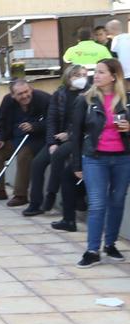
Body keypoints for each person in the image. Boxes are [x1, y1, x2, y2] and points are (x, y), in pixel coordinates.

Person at [69, 58, 130, 268]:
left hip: (123, 158)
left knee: (118, 202)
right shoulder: (85, 100)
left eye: (102, 72)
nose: (96, 75)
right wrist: (76, 164)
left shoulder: (126, 100)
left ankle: (110, 244)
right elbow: (75, 134)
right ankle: (92, 250)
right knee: (97, 204)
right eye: (96, 72)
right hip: (94, 159)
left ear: (114, 76)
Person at [26, 64, 89, 217]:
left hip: (76, 138)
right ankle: (35, 203)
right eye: (77, 75)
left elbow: (86, 122)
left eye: (84, 75)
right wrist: (51, 142)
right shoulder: (59, 95)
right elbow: (51, 120)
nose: (82, 78)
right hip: (57, 138)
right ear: (68, 77)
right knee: (37, 163)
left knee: (59, 155)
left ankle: (51, 194)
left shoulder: (89, 94)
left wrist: (69, 134)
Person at [0, 80, 50, 206]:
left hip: (35, 140)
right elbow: (1, 120)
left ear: (30, 89)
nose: (25, 96)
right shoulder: (8, 101)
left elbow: (53, 120)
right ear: (13, 95)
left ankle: (21, 195)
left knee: (24, 155)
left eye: (26, 92)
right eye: (20, 94)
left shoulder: (43, 99)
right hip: (15, 138)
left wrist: (34, 126)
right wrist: (0, 138)